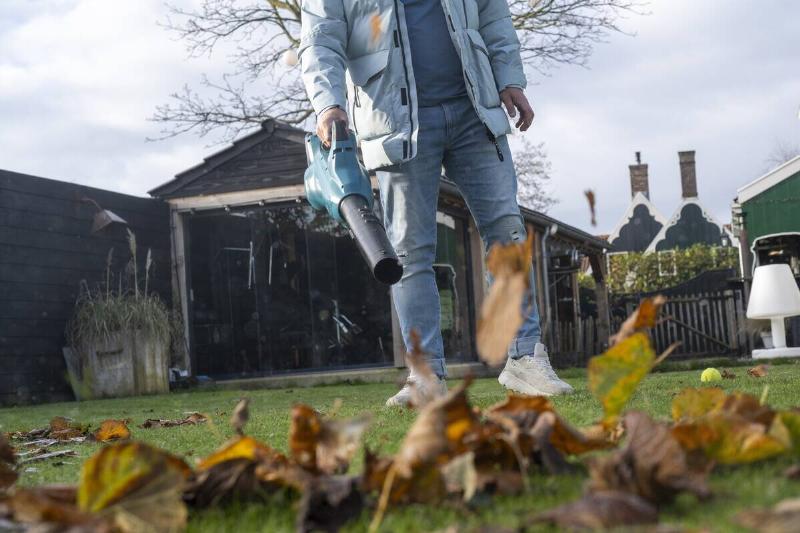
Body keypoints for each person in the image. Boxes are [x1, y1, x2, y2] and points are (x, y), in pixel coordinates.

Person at [299, 0, 573, 406]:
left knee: (507, 231)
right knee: (410, 251)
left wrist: (508, 78)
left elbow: (493, 14)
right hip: (396, 122)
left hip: (473, 108)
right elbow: (320, 39)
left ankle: (525, 358)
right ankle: (425, 376)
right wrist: (328, 103)